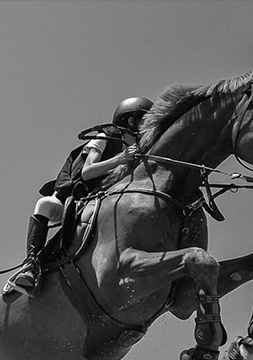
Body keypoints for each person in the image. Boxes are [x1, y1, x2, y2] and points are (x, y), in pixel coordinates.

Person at [12, 97, 154, 293]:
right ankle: (30, 266)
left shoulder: (141, 147)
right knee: (44, 204)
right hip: (75, 200)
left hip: (104, 202)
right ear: (129, 121)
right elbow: (87, 172)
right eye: (144, 120)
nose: (148, 125)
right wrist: (121, 159)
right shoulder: (104, 137)